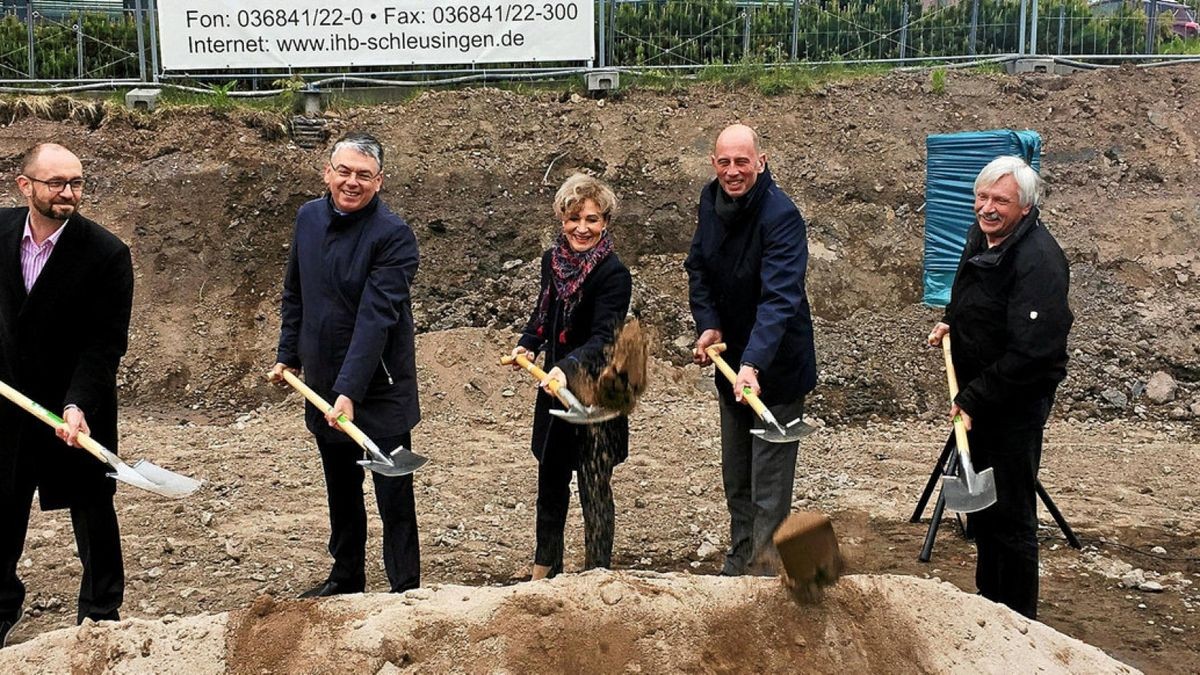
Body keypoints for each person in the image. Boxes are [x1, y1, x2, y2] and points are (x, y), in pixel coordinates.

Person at [270, 132, 421, 597]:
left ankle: (406, 588)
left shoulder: (394, 237)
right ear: (327, 173)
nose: (351, 182)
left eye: (363, 175)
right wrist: (288, 354)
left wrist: (350, 392)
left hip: (379, 386)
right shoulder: (309, 219)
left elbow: (376, 319)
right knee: (341, 487)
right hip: (322, 381)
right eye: (344, 171)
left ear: (379, 181)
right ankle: (346, 578)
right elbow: (295, 292)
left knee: (392, 492)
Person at [0, 143, 135, 647]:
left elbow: (104, 344)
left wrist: (78, 406)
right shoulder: (0, 232)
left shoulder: (105, 254)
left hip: (73, 406)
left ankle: (101, 615)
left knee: (92, 508)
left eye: (76, 183)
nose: (68, 193)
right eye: (56, 183)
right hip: (8, 407)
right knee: (3, 507)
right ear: (25, 185)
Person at [927, 155, 1072, 620]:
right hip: (979, 396)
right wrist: (952, 321)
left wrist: (973, 399)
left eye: (1000, 201)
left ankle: (1020, 624)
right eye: (982, 197)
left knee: (1010, 519)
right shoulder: (984, 234)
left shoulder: (1040, 263)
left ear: (1025, 207)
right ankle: (990, 613)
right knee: (982, 516)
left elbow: (1032, 354)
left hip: (1014, 404)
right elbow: (969, 291)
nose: (987, 208)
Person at [686, 124, 816, 576]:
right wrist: (708, 325)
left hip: (774, 369)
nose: (733, 170)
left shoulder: (781, 217)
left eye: (742, 161)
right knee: (737, 478)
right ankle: (740, 562)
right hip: (732, 363)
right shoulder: (710, 201)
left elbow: (780, 298)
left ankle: (766, 581)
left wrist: (754, 363)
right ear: (714, 163)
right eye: (725, 161)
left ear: (760, 161)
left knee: (769, 486)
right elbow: (698, 268)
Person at [511, 173, 632, 580]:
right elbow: (545, 314)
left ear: (606, 223)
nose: (582, 228)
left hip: (596, 395)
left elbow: (603, 338)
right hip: (556, 391)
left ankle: (597, 574)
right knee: (551, 482)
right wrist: (529, 342)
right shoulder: (553, 261)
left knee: (595, 488)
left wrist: (565, 367)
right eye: (574, 218)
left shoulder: (613, 274)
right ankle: (544, 569)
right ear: (562, 219)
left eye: (592, 219)